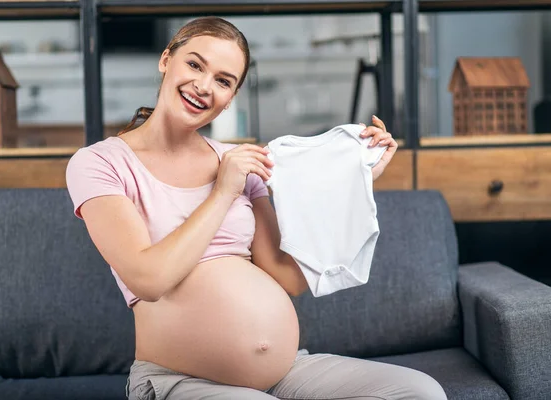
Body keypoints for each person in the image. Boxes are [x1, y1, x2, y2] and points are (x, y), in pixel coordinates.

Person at [66, 16, 447, 400]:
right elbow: (148, 281)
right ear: (166, 59)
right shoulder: (100, 163)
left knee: (420, 392)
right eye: (195, 64)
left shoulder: (238, 161)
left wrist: (354, 183)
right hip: (179, 380)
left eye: (223, 80)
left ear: (231, 97)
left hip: (284, 373)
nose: (203, 86)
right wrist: (222, 192)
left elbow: (289, 279)